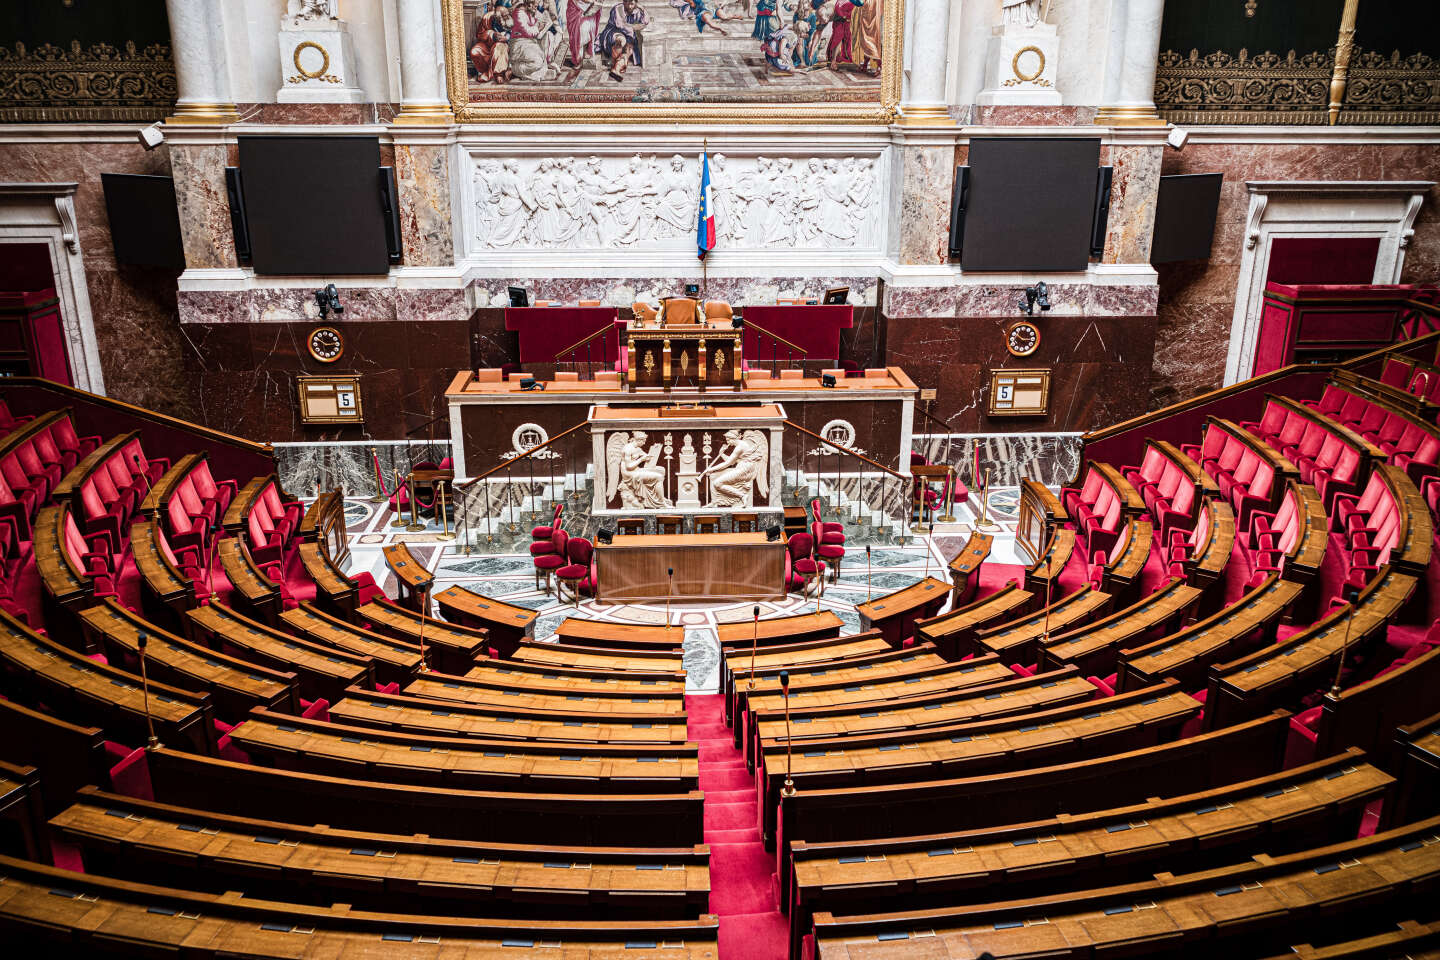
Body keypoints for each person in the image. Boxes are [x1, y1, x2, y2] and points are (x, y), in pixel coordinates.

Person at [598, 0, 650, 80]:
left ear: (636, 3)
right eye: (627, 3)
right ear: (624, 2)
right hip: (613, 32)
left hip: (629, 36)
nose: (629, 6)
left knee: (629, 50)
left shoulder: (637, 11)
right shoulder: (618, 9)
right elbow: (620, 25)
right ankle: (615, 64)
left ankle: (616, 69)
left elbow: (645, 22)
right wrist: (633, 27)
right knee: (622, 40)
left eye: (632, 4)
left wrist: (643, 9)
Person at [509, 0, 557, 80]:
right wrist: (539, 28)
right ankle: (514, 69)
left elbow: (541, 18)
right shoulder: (519, 13)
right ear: (529, 5)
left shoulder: (531, 10)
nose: (536, 8)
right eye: (535, 6)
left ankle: (539, 73)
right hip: (519, 44)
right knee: (537, 62)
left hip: (530, 43)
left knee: (542, 58)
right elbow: (528, 32)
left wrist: (546, 20)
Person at [565, 0, 603, 78]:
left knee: (589, 33)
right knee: (579, 36)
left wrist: (595, 4)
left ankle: (587, 55)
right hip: (576, 13)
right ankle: (579, 60)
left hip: (590, 15)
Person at [849, 0, 880, 74]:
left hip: (869, 23)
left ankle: (879, 67)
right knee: (867, 45)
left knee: (869, 45)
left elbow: (860, 3)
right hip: (872, 21)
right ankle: (865, 65)